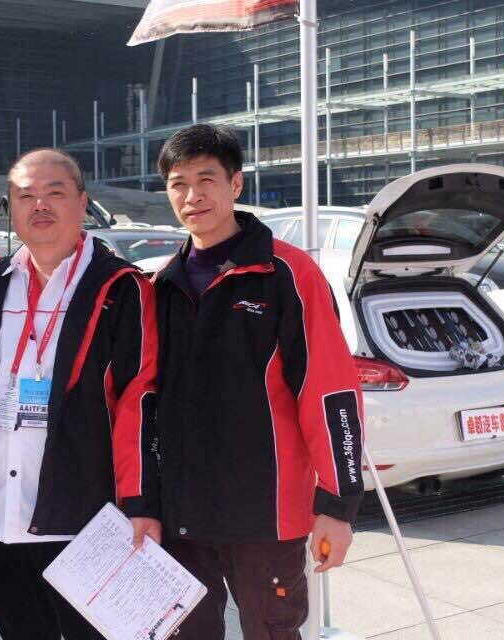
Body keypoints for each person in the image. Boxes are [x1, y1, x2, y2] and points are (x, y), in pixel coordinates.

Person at [152, 124, 365, 640]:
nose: (193, 195)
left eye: (207, 179)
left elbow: (331, 392)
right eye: (179, 184)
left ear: (236, 184)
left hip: (265, 515)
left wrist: (338, 507)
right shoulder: (161, 284)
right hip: (182, 513)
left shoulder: (288, 274)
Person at [0, 148, 160, 640]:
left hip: (86, 524)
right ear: (11, 207)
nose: (40, 205)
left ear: (83, 203)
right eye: (26, 195)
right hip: (1, 523)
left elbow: (140, 400)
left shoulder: (120, 289)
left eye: (55, 192)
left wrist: (142, 502)